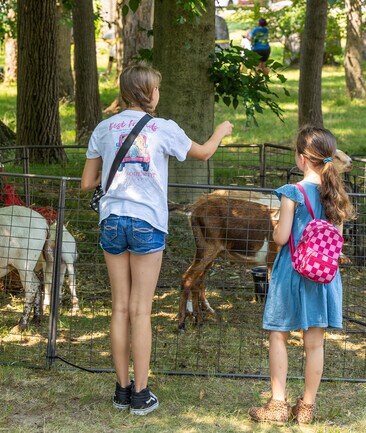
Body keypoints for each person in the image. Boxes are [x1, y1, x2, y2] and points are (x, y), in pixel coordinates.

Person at [81, 64, 233, 416]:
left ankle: (121, 391)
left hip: (112, 221)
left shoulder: (103, 128)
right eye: (157, 89)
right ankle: (142, 394)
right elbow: (204, 152)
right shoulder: (163, 129)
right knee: (141, 311)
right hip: (147, 221)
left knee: (119, 308)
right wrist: (221, 130)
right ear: (150, 93)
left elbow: (87, 183)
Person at [248, 126, 355, 425]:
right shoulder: (336, 195)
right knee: (315, 344)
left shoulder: (292, 192)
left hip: (291, 273)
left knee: (279, 335)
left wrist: (276, 226)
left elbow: (281, 237)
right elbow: (336, 240)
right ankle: (306, 408)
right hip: (323, 277)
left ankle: (278, 404)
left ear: (301, 159)